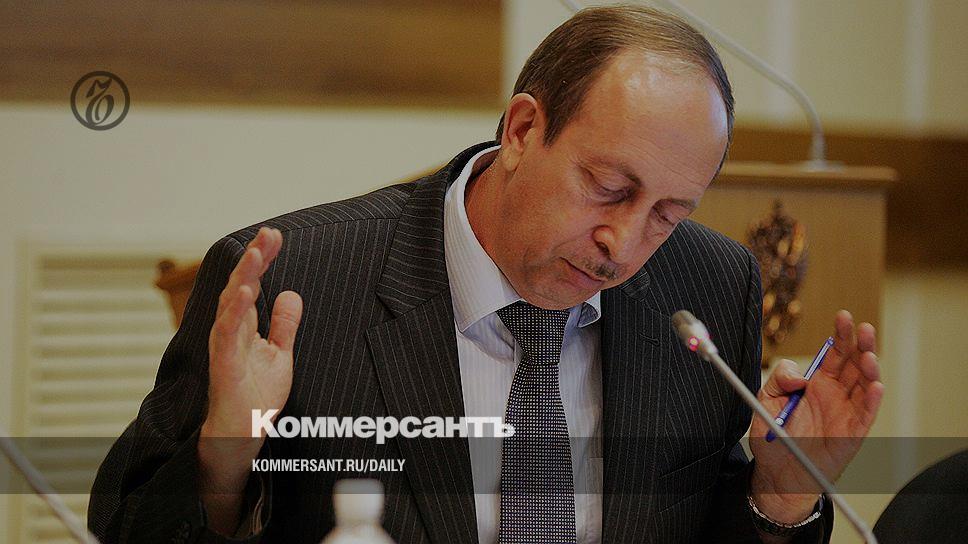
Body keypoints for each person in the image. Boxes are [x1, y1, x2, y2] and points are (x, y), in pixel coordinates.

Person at [89, 5, 883, 543]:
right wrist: (223, 459)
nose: (623, 243)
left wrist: (779, 497)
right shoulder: (299, 285)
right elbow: (125, 528)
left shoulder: (710, 289)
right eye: (609, 187)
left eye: (669, 214)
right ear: (524, 129)